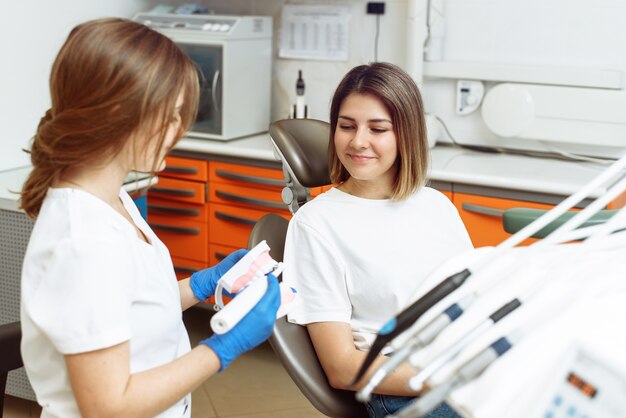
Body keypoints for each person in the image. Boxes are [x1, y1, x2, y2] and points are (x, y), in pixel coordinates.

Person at [19, 18, 280, 418]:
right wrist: (223, 348)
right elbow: (109, 406)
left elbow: (130, 309)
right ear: (120, 113)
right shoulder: (83, 242)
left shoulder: (113, 197)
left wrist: (201, 285)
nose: (179, 130)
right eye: (171, 114)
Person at [282, 62, 473, 418]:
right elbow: (341, 368)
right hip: (404, 386)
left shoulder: (436, 205)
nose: (358, 142)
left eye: (378, 128)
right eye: (346, 126)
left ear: (407, 134)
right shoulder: (316, 224)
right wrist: (449, 377)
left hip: (464, 362)